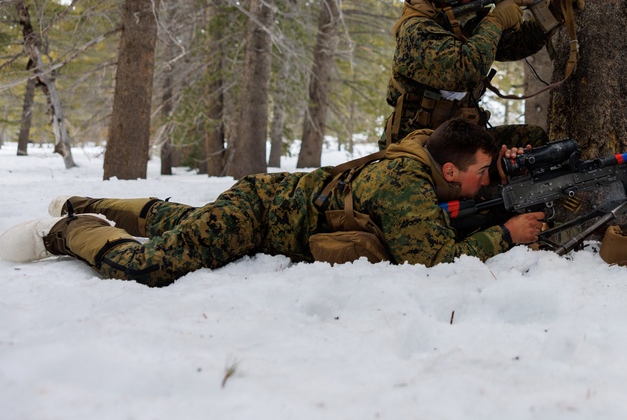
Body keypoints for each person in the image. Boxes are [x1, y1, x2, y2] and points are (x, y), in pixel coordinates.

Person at [0, 119, 546, 288]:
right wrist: (506, 234)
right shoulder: (406, 186)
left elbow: (478, 140)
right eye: (481, 174)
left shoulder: (430, 147)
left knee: (180, 219)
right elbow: (431, 261)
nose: (483, 182)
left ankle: (83, 200)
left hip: (270, 203)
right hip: (258, 216)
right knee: (154, 265)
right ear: (449, 171)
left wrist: (505, 160)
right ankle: (67, 230)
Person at [380, 0, 585, 149]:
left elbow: (515, 45)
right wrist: (496, 21)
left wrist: (556, 8)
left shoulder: (458, 23)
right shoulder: (416, 30)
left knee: (533, 139)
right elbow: (465, 71)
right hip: (419, 147)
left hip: (456, 139)